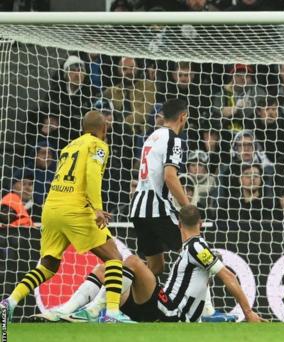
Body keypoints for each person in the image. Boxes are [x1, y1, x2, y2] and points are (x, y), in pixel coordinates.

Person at [1, 111, 134, 323]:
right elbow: (91, 174)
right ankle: (112, 313)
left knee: (48, 265)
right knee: (114, 257)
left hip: (51, 208)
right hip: (75, 209)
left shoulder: (69, 146)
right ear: (105, 129)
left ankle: (10, 302)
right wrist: (97, 208)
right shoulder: (98, 145)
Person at [70, 205, 264, 323]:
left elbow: (227, 276)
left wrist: (248, 312)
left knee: (133, 261)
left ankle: (96, 309)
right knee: (106, 269)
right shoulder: (192, 248)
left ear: (179, 224)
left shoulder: (197, 247)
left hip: (172, 311)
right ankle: (70, 311)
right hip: (160, 306)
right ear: (201, 224)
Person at [129, 98, 190, 275]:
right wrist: (188, 208)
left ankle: (128, 299)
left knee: (155, 268)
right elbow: (170, 177)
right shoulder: (174, 139)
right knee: (195, 250)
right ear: (183, 117)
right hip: (156, 208)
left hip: (138, 208)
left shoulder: (151, 138)